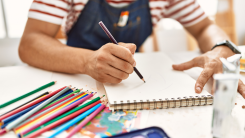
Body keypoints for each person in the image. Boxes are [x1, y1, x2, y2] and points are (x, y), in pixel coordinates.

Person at [19, 0, 245, 98]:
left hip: (129, 84)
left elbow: (205, 27)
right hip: (76, 83)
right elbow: (30, 43)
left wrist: (221, 48)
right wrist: (88, 61)